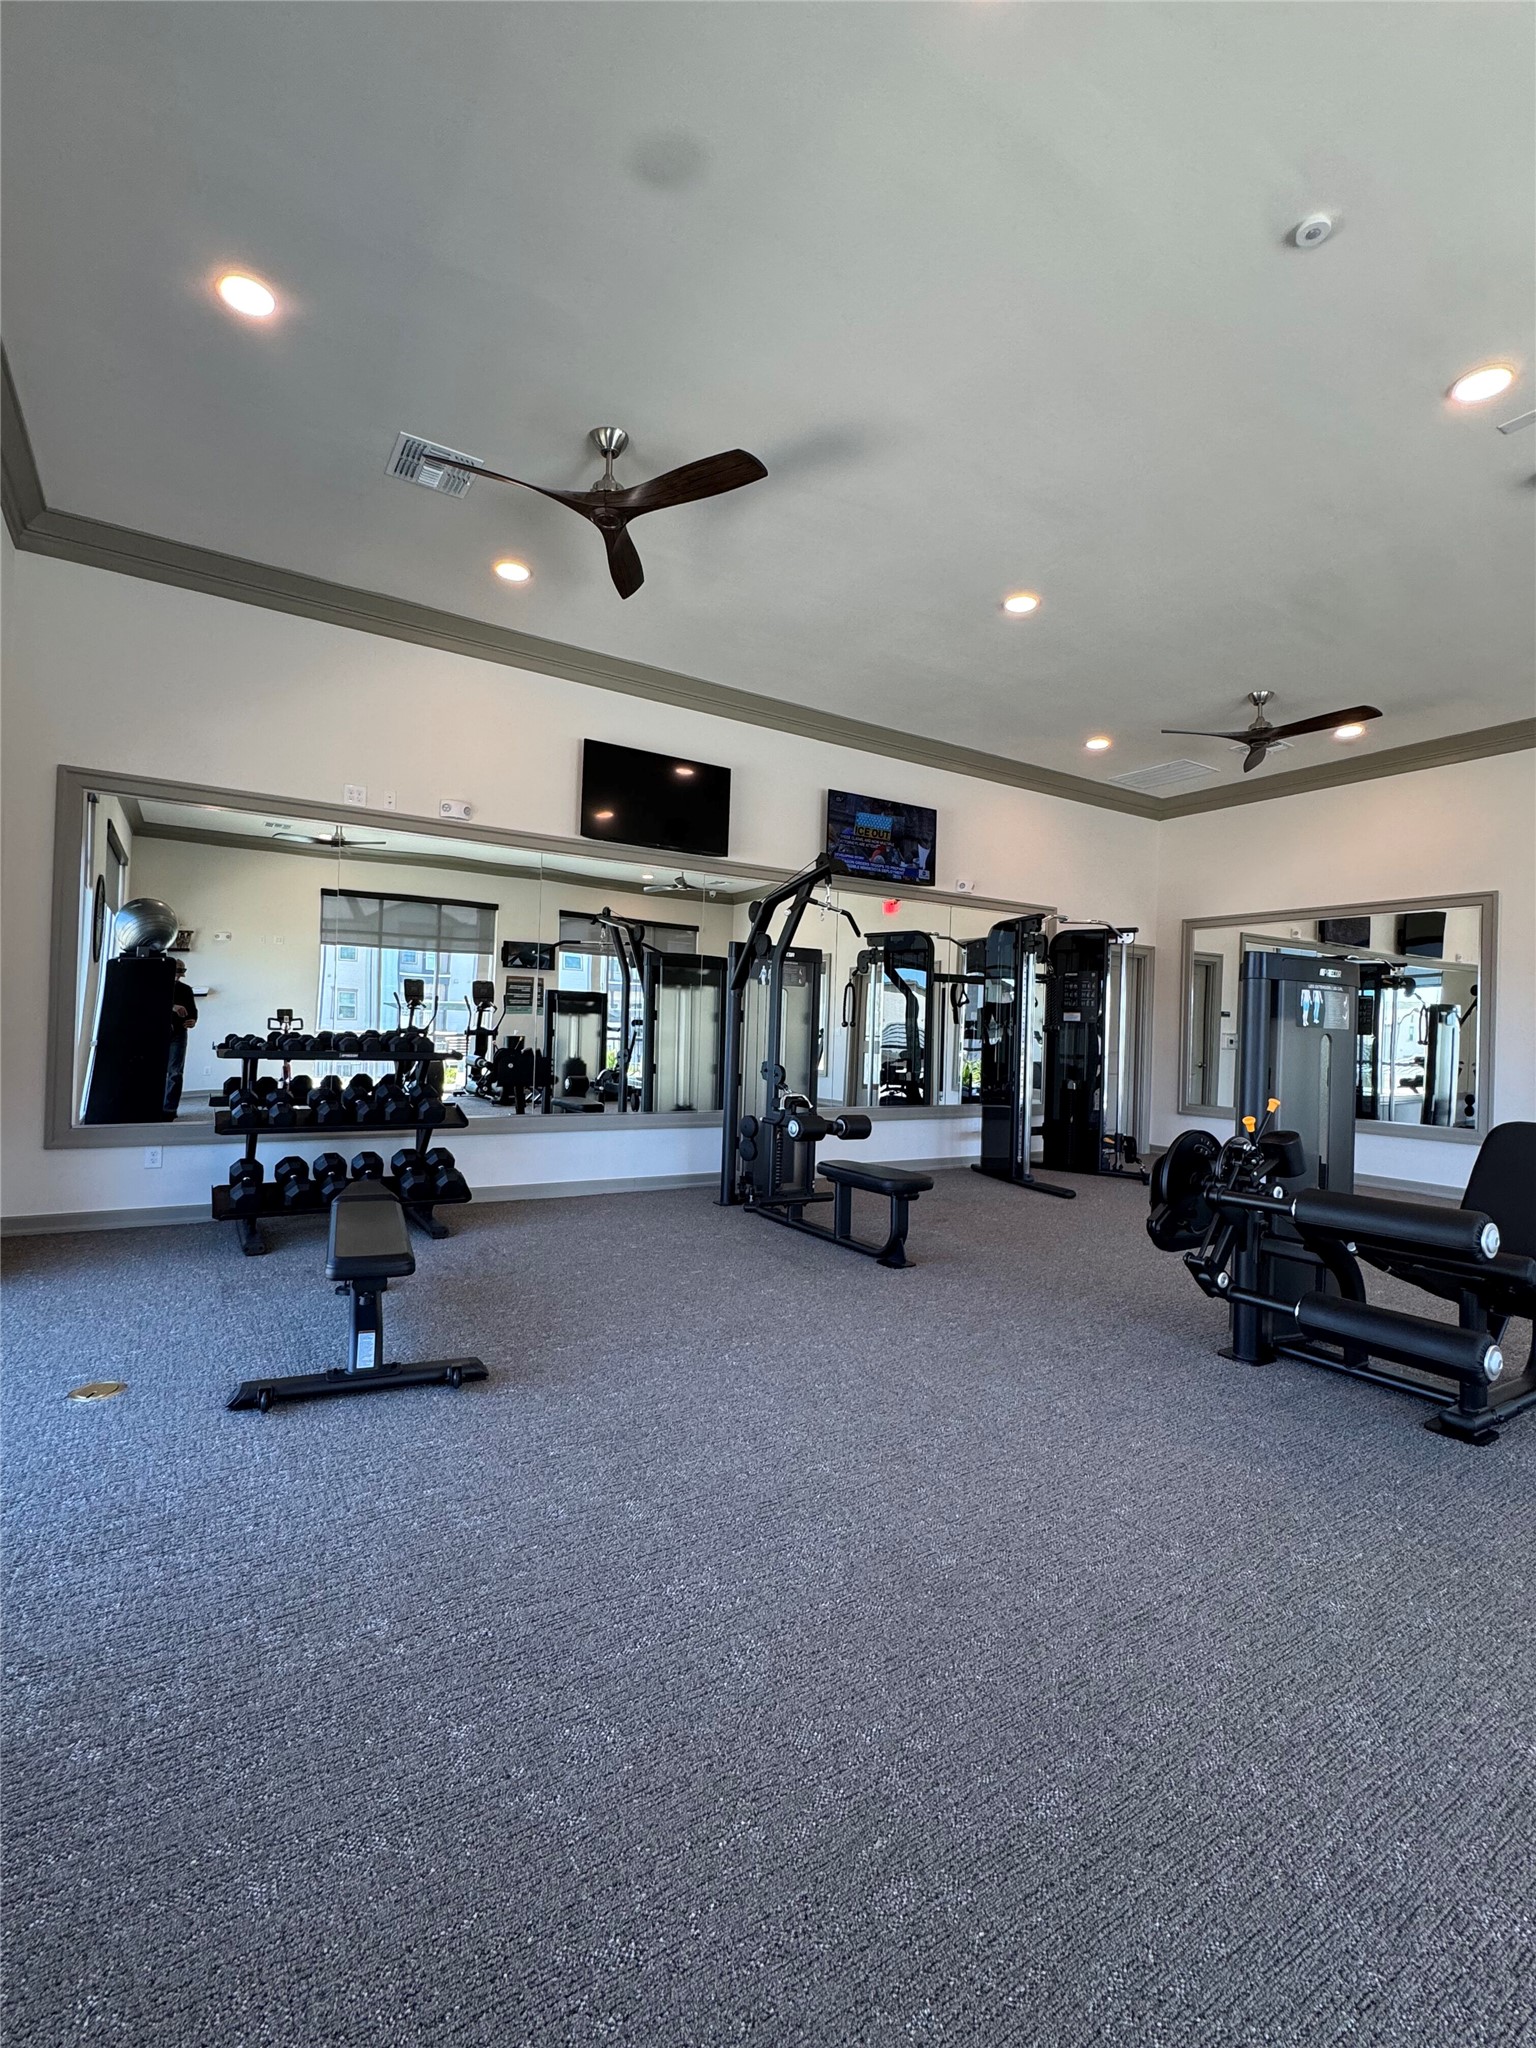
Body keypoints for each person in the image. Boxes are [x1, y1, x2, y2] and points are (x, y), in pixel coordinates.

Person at [164, 955, 199, 1116]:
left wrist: (192, 1020)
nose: (178, 976)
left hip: (178, 1033)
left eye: (180, 973)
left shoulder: (186, 989)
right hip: (157, 1034)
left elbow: (193, 1011)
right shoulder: (156, 987)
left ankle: (170, 1109)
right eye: (176, 972)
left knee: (175, 1072)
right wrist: (171, 1006)